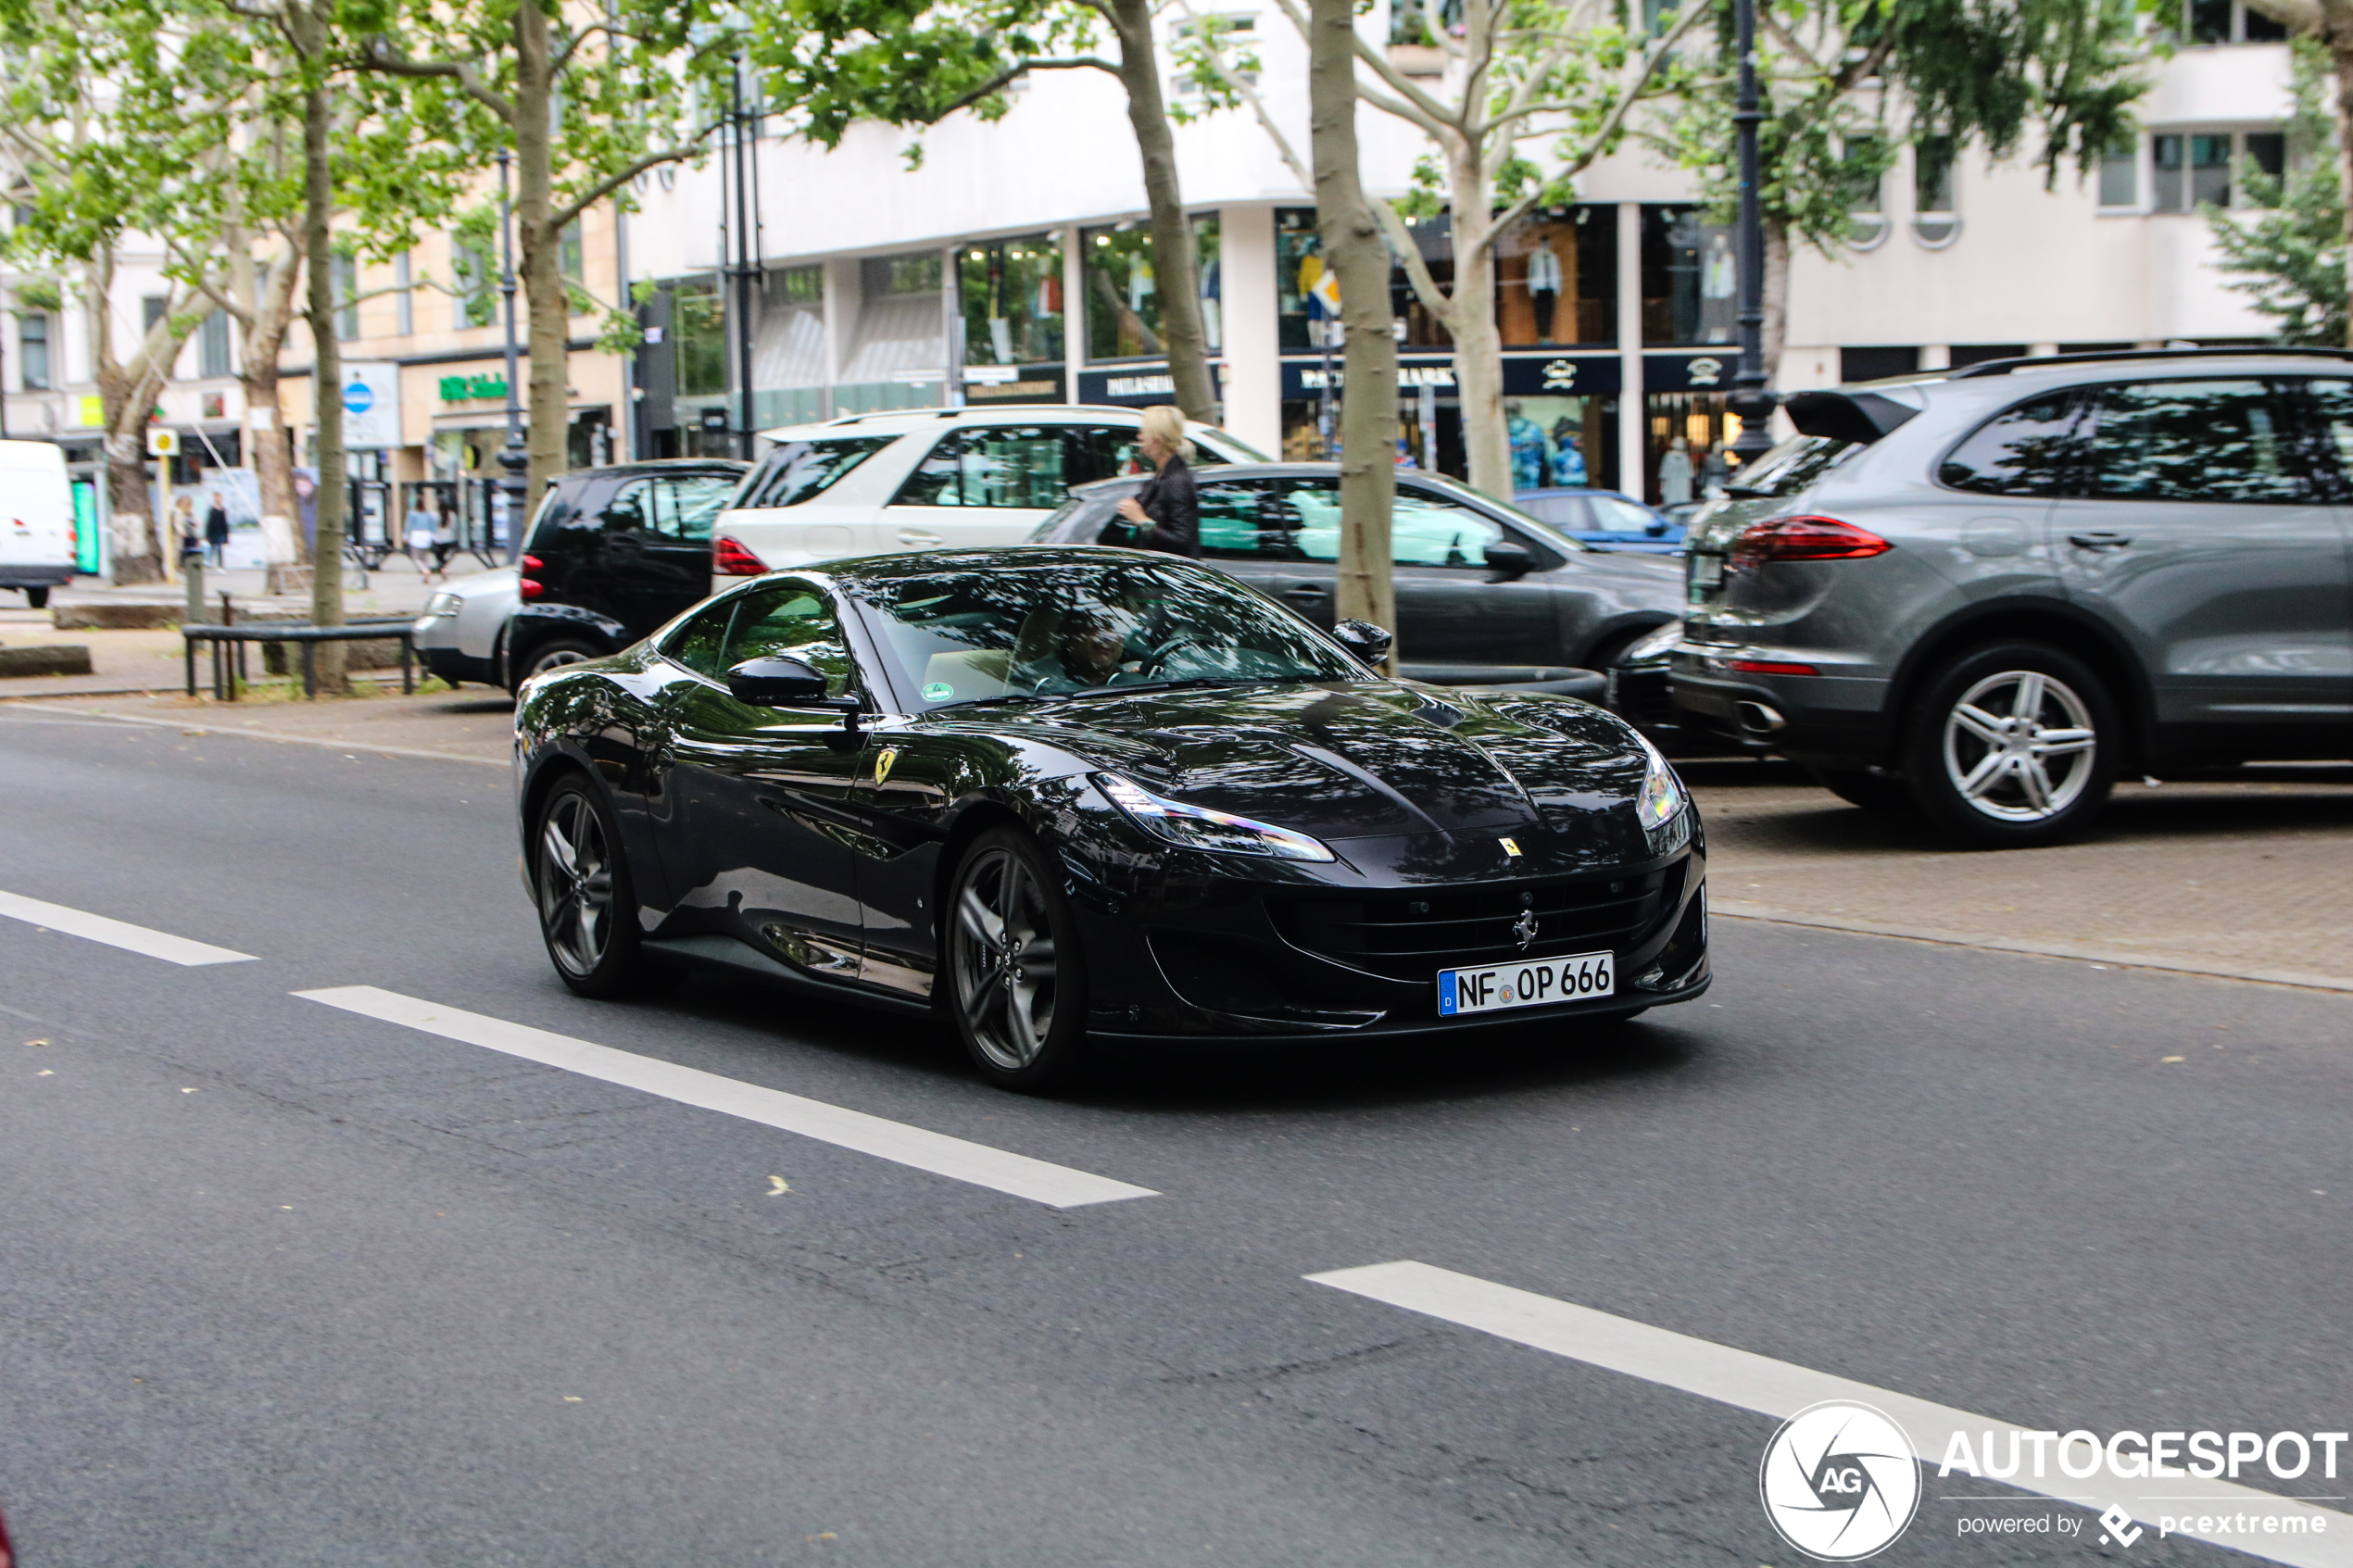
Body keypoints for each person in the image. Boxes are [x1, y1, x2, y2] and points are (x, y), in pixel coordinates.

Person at [1107, 405, 1200, 557]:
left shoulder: (1177, 481)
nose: (1139, 437)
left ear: (1156, 439)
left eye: (1143, 432)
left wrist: (1142, 521)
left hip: (1172, 575)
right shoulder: (1162, 475)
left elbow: (1183, 542)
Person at [404, 494, 438, 576]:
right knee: (424, 556)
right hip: (426, 535)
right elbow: (432, 525)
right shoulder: (428, 514)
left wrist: (406, 535)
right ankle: (426, 572)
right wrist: (434, 535)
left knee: (415, 557)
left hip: (416, 535)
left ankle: (424, 569)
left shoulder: (412, 514)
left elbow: (409, 525)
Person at [1658, 436, 1695, 507]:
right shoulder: (1683, 458)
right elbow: (1664, 475)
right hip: (1676, 485)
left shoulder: (1684, 458)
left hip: (1677, 485)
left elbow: (1664, 475)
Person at [202, 491, 231, 569]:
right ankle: (211, 563)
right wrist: (207, 534)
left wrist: (226, 534)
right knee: (212, 548)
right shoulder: (212, 510)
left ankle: (220, 565)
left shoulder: (223, 510)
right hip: (213, 532)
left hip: (221, 532)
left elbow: (225, 523)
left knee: (220, 549)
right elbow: (209, 523)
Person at [431, 502, 459, 575]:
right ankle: (443, 568)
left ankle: (442, 567)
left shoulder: (436, 515)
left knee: (439, 555)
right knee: (444, 555)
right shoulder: (452, 514)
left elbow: (433, 526)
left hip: (439, 538)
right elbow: (454, 526)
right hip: (448, 537)